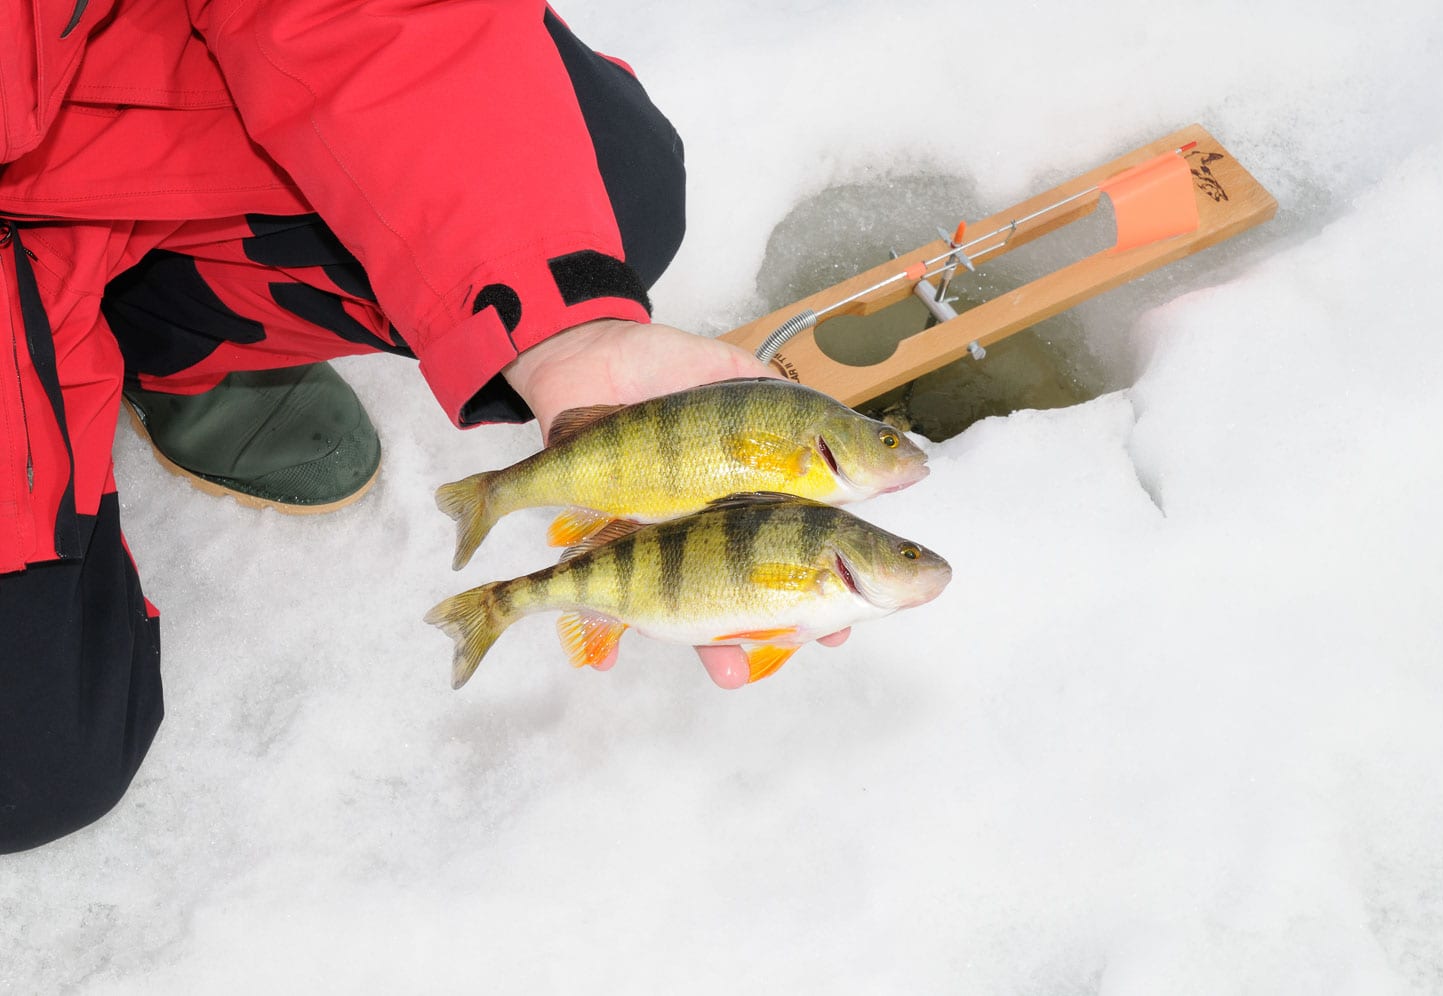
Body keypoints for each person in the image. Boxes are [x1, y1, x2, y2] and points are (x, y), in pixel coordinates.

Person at [0, 1, 850, 854]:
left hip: (96, 110)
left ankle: (171, 333)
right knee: (34, 763)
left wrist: (562, 328)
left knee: (601, 190)